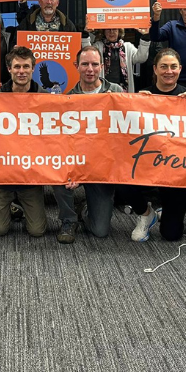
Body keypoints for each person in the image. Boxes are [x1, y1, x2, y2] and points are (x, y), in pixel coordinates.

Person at [0, 46, 49, 239]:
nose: (21, 71)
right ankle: (10, 207)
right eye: (17, 66)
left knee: (37, 231)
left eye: (26, 66)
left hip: (31, 176)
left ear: (33, 69)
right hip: (3, 176)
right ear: (9, 69)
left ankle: (19, 204)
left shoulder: (46, 98)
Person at [60, 45, 124, 239]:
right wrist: (73, 170)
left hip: (103, 169)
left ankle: (86, 208)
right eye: (85, 64)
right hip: (79, 165)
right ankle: (68, 220)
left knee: (100, 231)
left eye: (95, 64)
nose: (90, 69)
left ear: (102, 66)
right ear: (76, 66)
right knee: (57, 175)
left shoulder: (117, 92)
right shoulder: (68, 99)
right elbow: (64, 142)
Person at [137, 48, 186, 242]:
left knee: (171, 235)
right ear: (155, 69)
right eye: (163, 67)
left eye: (173, 67)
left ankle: (167, 210)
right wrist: (136, 104)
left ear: (180, 69)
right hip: (147, 165)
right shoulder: (142, 97)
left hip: (177, 170)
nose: (168, 71)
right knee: (120, 180)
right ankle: (147, 213)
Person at [84, 28, 151, 93]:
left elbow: (141, 58)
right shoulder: (98, 46)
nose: (111, 32)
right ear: (104, 31)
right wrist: (85, 34)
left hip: (123, 91)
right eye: (108, 29)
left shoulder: (128, 47)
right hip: (104, 90)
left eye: (114, 29)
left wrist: (145, 37)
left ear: (119, 31)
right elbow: (87, 55)